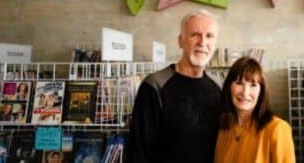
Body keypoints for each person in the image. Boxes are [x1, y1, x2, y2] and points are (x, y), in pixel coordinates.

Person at [125, 10, 223, 163]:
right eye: (195, 34)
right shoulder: (155, 85)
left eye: (209, 36)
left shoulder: (219, 86)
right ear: (180, 41)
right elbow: (137, 151)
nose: (202, 42)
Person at [214, 57, 295, 163]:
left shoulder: (277, 129)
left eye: (253, 85)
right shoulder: (224, 128)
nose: (245, 92)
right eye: (239, 83)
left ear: (261, 91)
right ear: (229, 87)